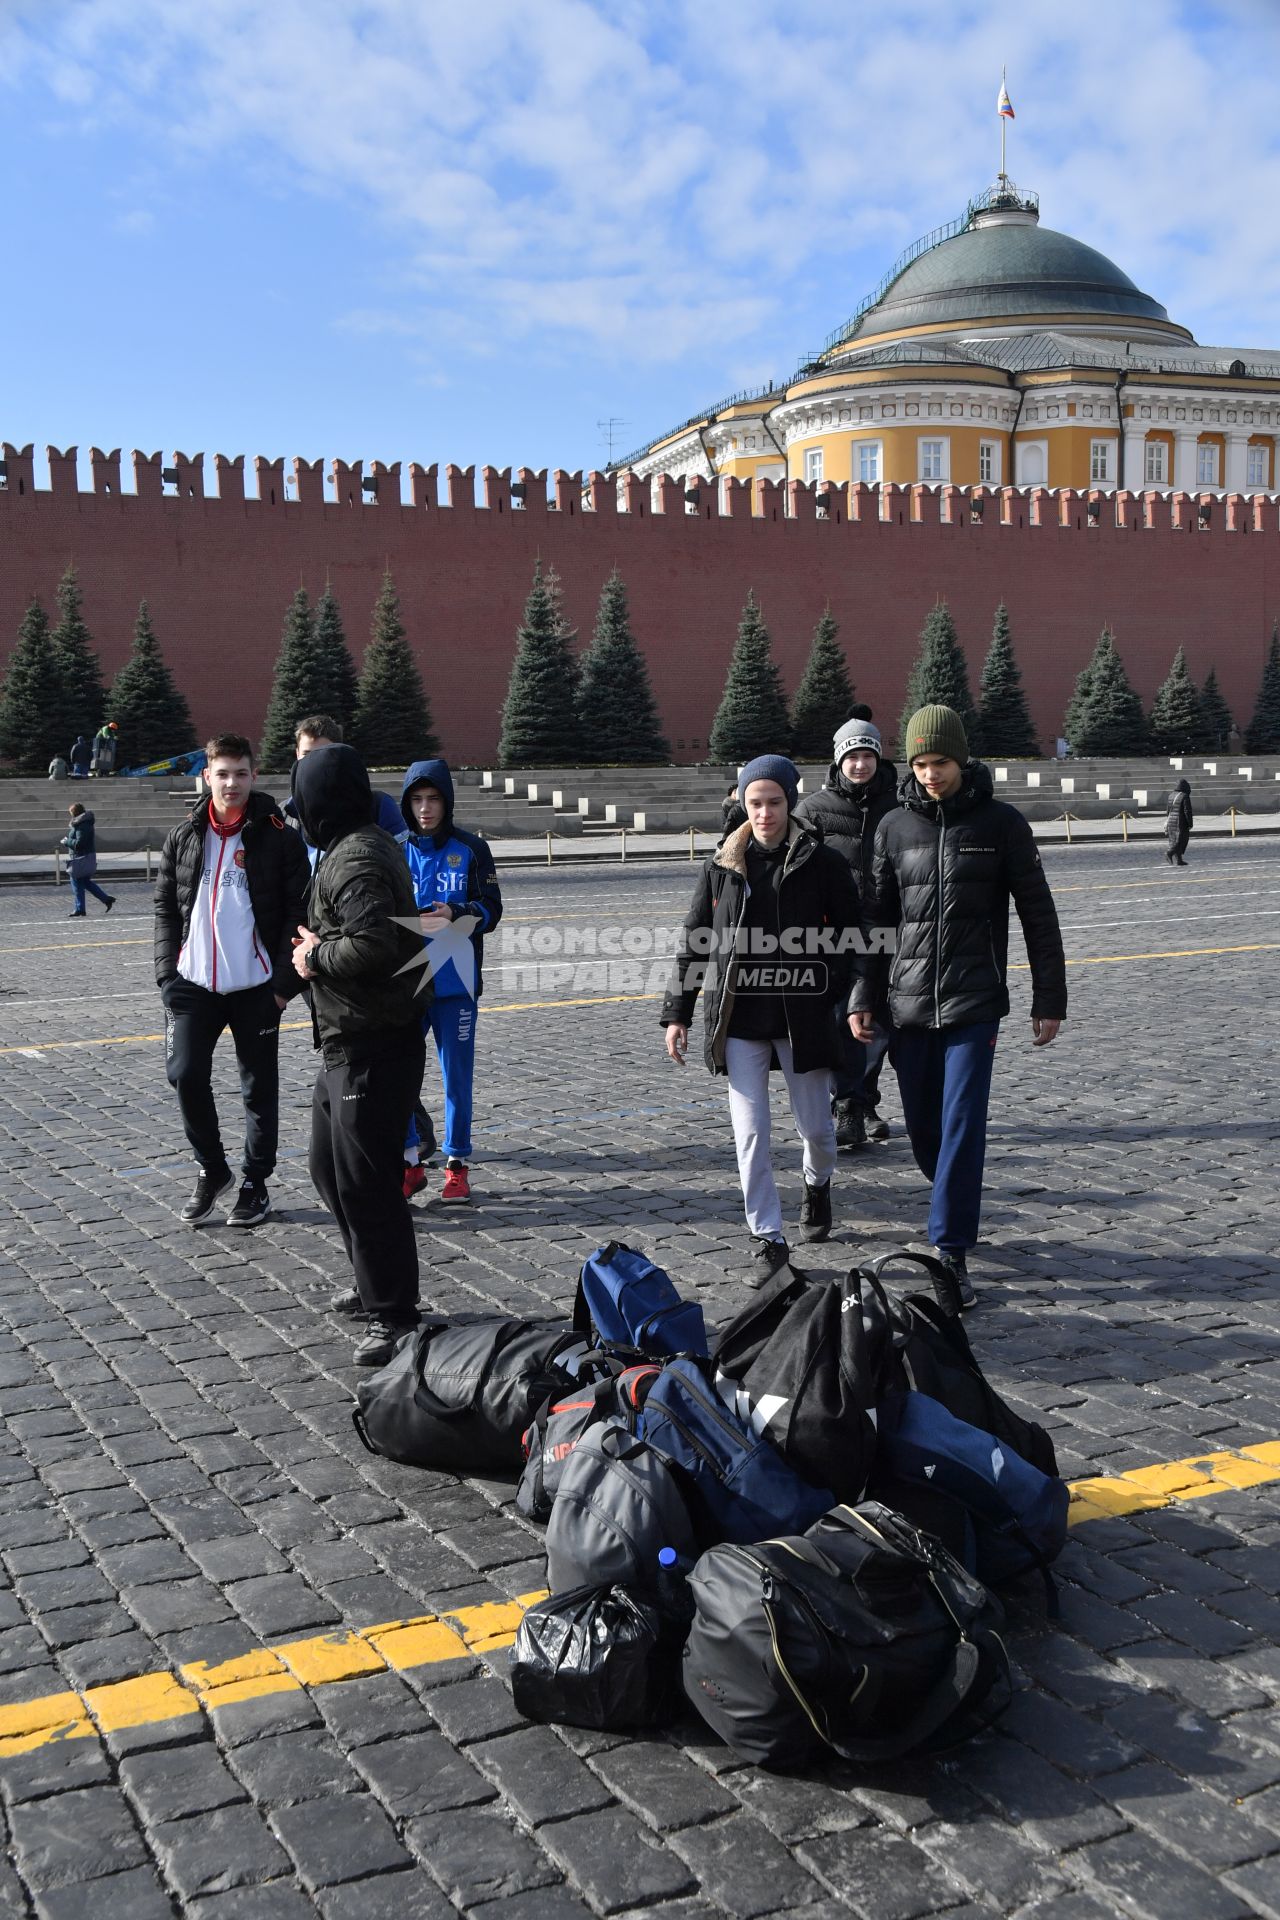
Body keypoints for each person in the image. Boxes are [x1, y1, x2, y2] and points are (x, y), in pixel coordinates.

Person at [849, 705, 1067, 1316]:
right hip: (907, 1005)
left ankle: (950, 1250)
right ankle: (948, 1196)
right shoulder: (893, 828)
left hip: (975, 1004)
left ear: (962, 760)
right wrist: (863, 994)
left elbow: (1038, 914)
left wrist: (1049, 997)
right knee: (925, 1132)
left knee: (963, 1125)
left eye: (939, 763)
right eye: (919, 764)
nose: (929, 775)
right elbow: (875, 922)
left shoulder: (1002, 825)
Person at [661, 753, 860, 1287]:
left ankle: (817, 1186)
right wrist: (676, 1014)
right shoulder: (722, 866)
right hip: (741, 1019)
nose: (765, 813)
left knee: (816, 1129)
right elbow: (694, 940)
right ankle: (767, 1239)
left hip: (804, 1017)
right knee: (750, 1136)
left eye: (774, 802)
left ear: (790, 802)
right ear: (742, 804)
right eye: (755, 803)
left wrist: (833, 991)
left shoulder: (823, 862)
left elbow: (853, 936)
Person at [290, 744, 428, 1367]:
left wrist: (315, 957)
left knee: (367, 1182)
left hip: (375, 1038)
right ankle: (372, 1282)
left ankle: (394, 1312)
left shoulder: (358, 858)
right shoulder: (351, 847)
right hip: (350, 1036)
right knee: (328, 1167)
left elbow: (375, 942)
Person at [154, 731, 310, 1228]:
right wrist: (166, 975)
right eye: (222, 773)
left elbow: (297, 912)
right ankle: (213, 1169)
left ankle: (254, 1183)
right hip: (194, 986)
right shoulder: (184, 836)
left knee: (257, 1089)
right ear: (207, 776)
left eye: (241, 773)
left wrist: (284, 987)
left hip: (257, 988)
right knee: (184, 1073)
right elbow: (165, 907)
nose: (232, 783)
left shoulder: (279, 836)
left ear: (253, 775)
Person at [398, 759, 503, 1204]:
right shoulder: (393, 847)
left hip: (456, 984)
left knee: (455, 1077)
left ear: (447, 801)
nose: (425, 808)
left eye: (434, 799)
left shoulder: (472, 848)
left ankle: (457, 1165)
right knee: (399, 1076)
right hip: (405, 985)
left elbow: (493, 910)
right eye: (417, 800)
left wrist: (457, 914)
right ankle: (409, 1164)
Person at [795, 708, 897, 1150]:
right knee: (844, 1020)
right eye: (851, 755)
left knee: (884, 1022)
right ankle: (848, 1106)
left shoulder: (899, 803)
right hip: (836, 934)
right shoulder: (813, 810)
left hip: (892, 929)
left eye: (867, 755)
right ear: (838, 761)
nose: (860, 764)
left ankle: (865, 1098)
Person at [62, 802, 116, 917]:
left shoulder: (83, 824)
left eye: (71, 813)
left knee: (76, 881)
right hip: (82, 856)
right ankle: (106, 899)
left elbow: (80, 843)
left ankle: (80, 909)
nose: (71, 815)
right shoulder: (82, 823)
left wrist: (66, 842)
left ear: (75, 813)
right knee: (84, 881)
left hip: (81, 857)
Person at [1165, 779, 1193, 865]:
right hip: (1180, 822)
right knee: (1181, 840)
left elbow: (1167, 810)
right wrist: (1190, 823)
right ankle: (1169, 853)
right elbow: (1187, 811)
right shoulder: (1185, 796)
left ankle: (1179, 860)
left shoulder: (1171, 795)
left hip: (1171, 821)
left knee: (1174, 840)